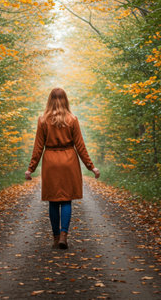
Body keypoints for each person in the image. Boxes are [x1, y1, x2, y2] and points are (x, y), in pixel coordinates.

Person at [25, 87, 100, 249]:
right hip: (68, 161)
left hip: (51, 162)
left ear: (49, 100)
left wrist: (31, 168)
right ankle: (64, 236)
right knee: (66, 200)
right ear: (65, 100)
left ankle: (55, 237)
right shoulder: (72, 119)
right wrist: (91, 167)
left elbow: (38, 147)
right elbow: (80, 146)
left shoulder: (43, 120)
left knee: (53, 201)